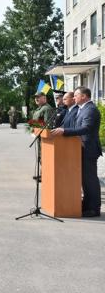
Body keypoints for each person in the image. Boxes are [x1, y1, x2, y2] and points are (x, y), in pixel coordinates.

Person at [51, 87, 102, 217]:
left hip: (89, 149)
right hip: (81, 148)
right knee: (85, 180)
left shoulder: (90, 109)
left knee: (90, 180)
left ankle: (94, 208)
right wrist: (63, 129)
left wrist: (65, 131)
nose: (74, 98)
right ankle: (86, 205)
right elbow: (76, 126)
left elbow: (86, 128)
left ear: (84, 96)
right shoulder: (82, 109)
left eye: (76, 95)